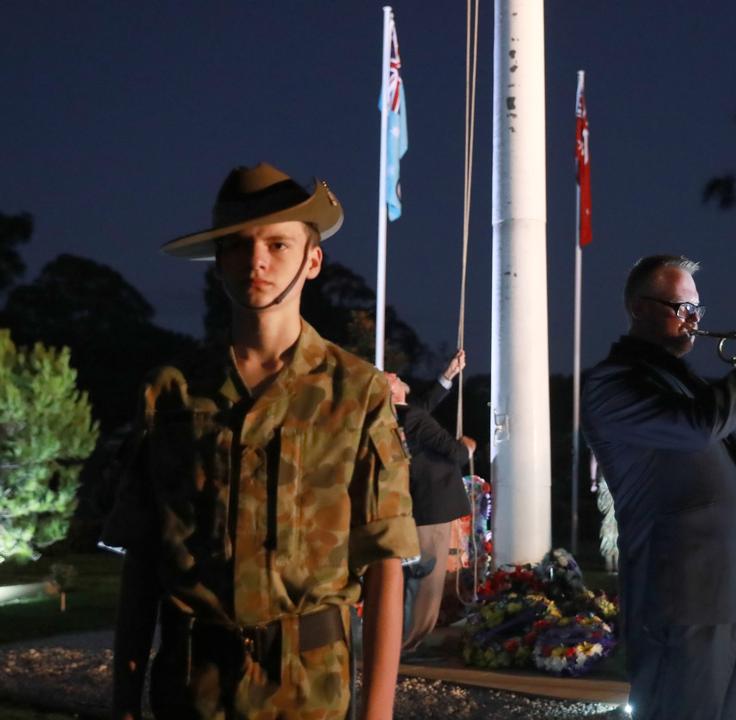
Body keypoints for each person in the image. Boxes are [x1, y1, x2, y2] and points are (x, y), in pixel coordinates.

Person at [103, 163, 419, 720]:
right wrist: (125, 704)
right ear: (217, 264)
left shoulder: (356, 392)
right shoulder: (171, 393)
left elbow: (386, 559)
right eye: (239, 245)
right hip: (191, 690)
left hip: (311, 693)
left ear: (312, 260)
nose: (257, 260)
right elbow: (142, 560)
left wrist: (378, 714)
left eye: (278, 243)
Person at [581, 254, 736, 720]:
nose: (695, 322)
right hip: (678, 596)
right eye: (682, 308)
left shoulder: (688, 384)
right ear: (640, 308)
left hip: (722, 592)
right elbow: (698, 427)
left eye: (698, 310)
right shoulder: (614, 382)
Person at [386, 349, 476, 655]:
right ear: (390, 392)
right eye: (391, 378)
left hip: (419, 507)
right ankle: (408, 643)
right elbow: (457, 454)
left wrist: (448, 376)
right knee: (427, 583)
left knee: (417, 577)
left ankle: (404, 639)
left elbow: (422, 406)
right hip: (434, 508)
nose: (396, 375)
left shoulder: (400, 416)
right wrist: (467, 448)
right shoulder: (414, 419)